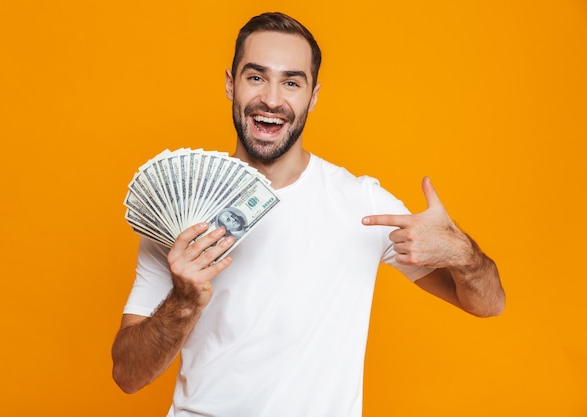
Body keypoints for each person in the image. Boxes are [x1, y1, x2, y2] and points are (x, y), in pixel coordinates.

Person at [111, 11, 505, 417]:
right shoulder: (180, 211)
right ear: (231, 84)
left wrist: (463, 253)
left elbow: (488, 304)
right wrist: (183, 299)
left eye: (292, 82)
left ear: (313, 95)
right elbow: (127, 375)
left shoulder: (362, 204)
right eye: (256, 77)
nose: (272, 99)